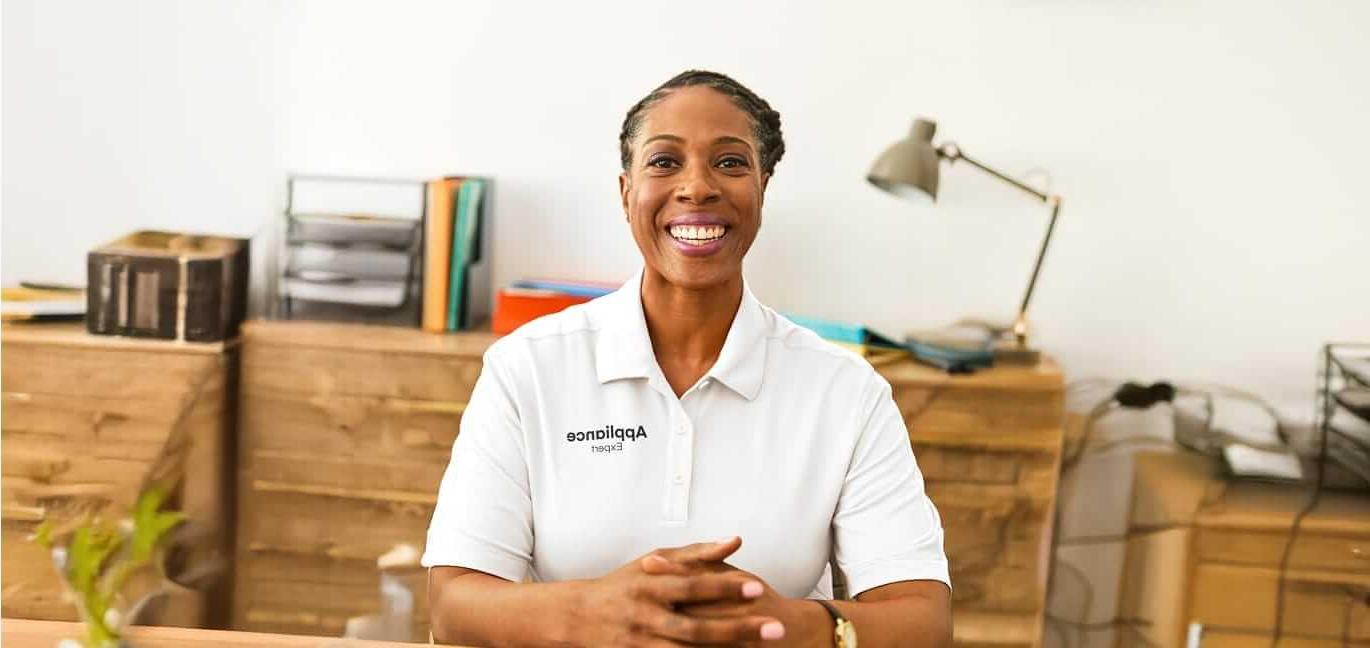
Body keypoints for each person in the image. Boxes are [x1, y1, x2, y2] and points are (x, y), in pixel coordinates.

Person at [424, 70, 952, 647]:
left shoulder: (847, 391)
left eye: (729, 163)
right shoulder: (526, 368)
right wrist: (590, 614)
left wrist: (787, 624)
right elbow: (453, 606)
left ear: (762, 189)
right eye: (664, 162)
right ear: (626, 193)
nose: (697, 187)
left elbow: (922, 621)